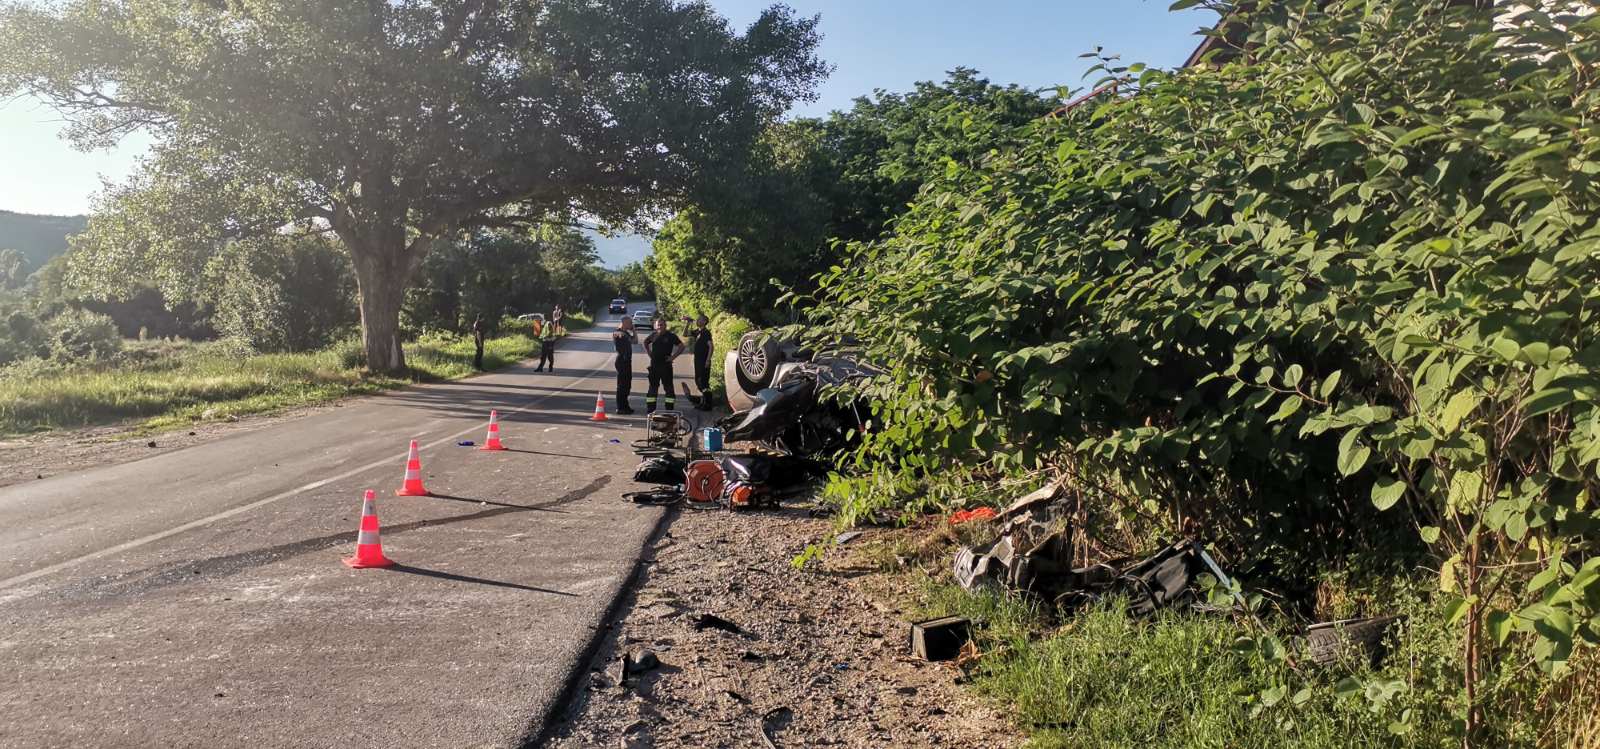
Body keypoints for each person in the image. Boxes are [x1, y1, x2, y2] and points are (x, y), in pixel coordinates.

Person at [641, 317, 685, 413]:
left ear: (665, 326)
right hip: (654, 366)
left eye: (662, 325)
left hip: (666, 366)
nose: (660, 326)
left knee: (669, 389)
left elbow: (682, 346)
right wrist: (649, 353)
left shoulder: (671, 336)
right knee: (652, 388)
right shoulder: (653, 335)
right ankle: (651, 410)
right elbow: (645, 342)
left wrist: (672, 357)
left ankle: (669, 410)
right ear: (656, 326)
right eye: (658, 325)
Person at [612, 317, 638, 414]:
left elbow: (635, 341)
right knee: (622, 385)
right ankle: (620, 407)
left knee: (627, 385)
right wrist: (623, 333)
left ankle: (625, 406)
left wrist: (634, 330)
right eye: (630, 323)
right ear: (624, 323)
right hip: (621, 361)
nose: (631, 324)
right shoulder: (617, 332)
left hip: (627, 361)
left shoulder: (626, 333)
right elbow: (618, 334)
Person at [689, 314, 713, 410]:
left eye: (699, 319)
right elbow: (685, 334)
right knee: (698, 381)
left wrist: (708, 360)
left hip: (704, 361)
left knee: (703, 382)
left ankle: (708, 404)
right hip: (698, 360)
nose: (697, 320)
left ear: (704, 322)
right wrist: (688, 323)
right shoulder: (698, 332)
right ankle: (703, 402)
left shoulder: (706, 333)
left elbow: (711, 346)